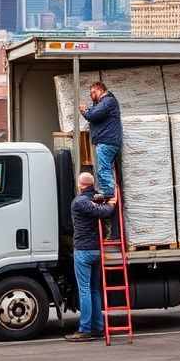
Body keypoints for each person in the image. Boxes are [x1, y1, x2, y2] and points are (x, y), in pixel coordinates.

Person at [64, 172, 116, 342]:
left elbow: (103, 210)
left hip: (83, 251)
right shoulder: (96, 197)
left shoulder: (79, 202)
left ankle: (85, 329)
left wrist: (110, 205)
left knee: (84, 290)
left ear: (80, 185)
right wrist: (112, 201)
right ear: (91, 184)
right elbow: (105, 205)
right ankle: (98, 327)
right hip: (96, 250)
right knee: (94, 290)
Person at [79, 81, 122, 198]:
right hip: (106, 141)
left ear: (101, 90)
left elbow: (93, 115)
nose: (91, 95)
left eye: (93, 92)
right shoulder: (102, 103)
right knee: (103, 168)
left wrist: (84, 111)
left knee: (103, 168)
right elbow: (94, 113)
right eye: (90, 94)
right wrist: (90, 109)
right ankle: (107, 191)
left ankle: (108, 193)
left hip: (106, 141)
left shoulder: (108, 101)